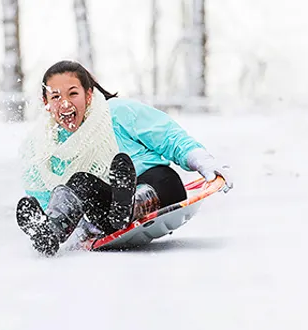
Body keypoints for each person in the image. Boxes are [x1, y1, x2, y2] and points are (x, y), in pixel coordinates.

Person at [16, 60, 233, 255]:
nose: (64, 103)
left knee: (162, 176)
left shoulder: (117, 113)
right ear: (45, 101)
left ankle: (129, 206)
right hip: (107, 213)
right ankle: (50, 231)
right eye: (56, 96)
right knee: (81, 183)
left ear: (88, 95)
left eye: (73, 94)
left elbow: (168, 136)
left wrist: (201, 160)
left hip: (159, 190)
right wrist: (78, 227)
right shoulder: (44, 146)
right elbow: (49, 195)